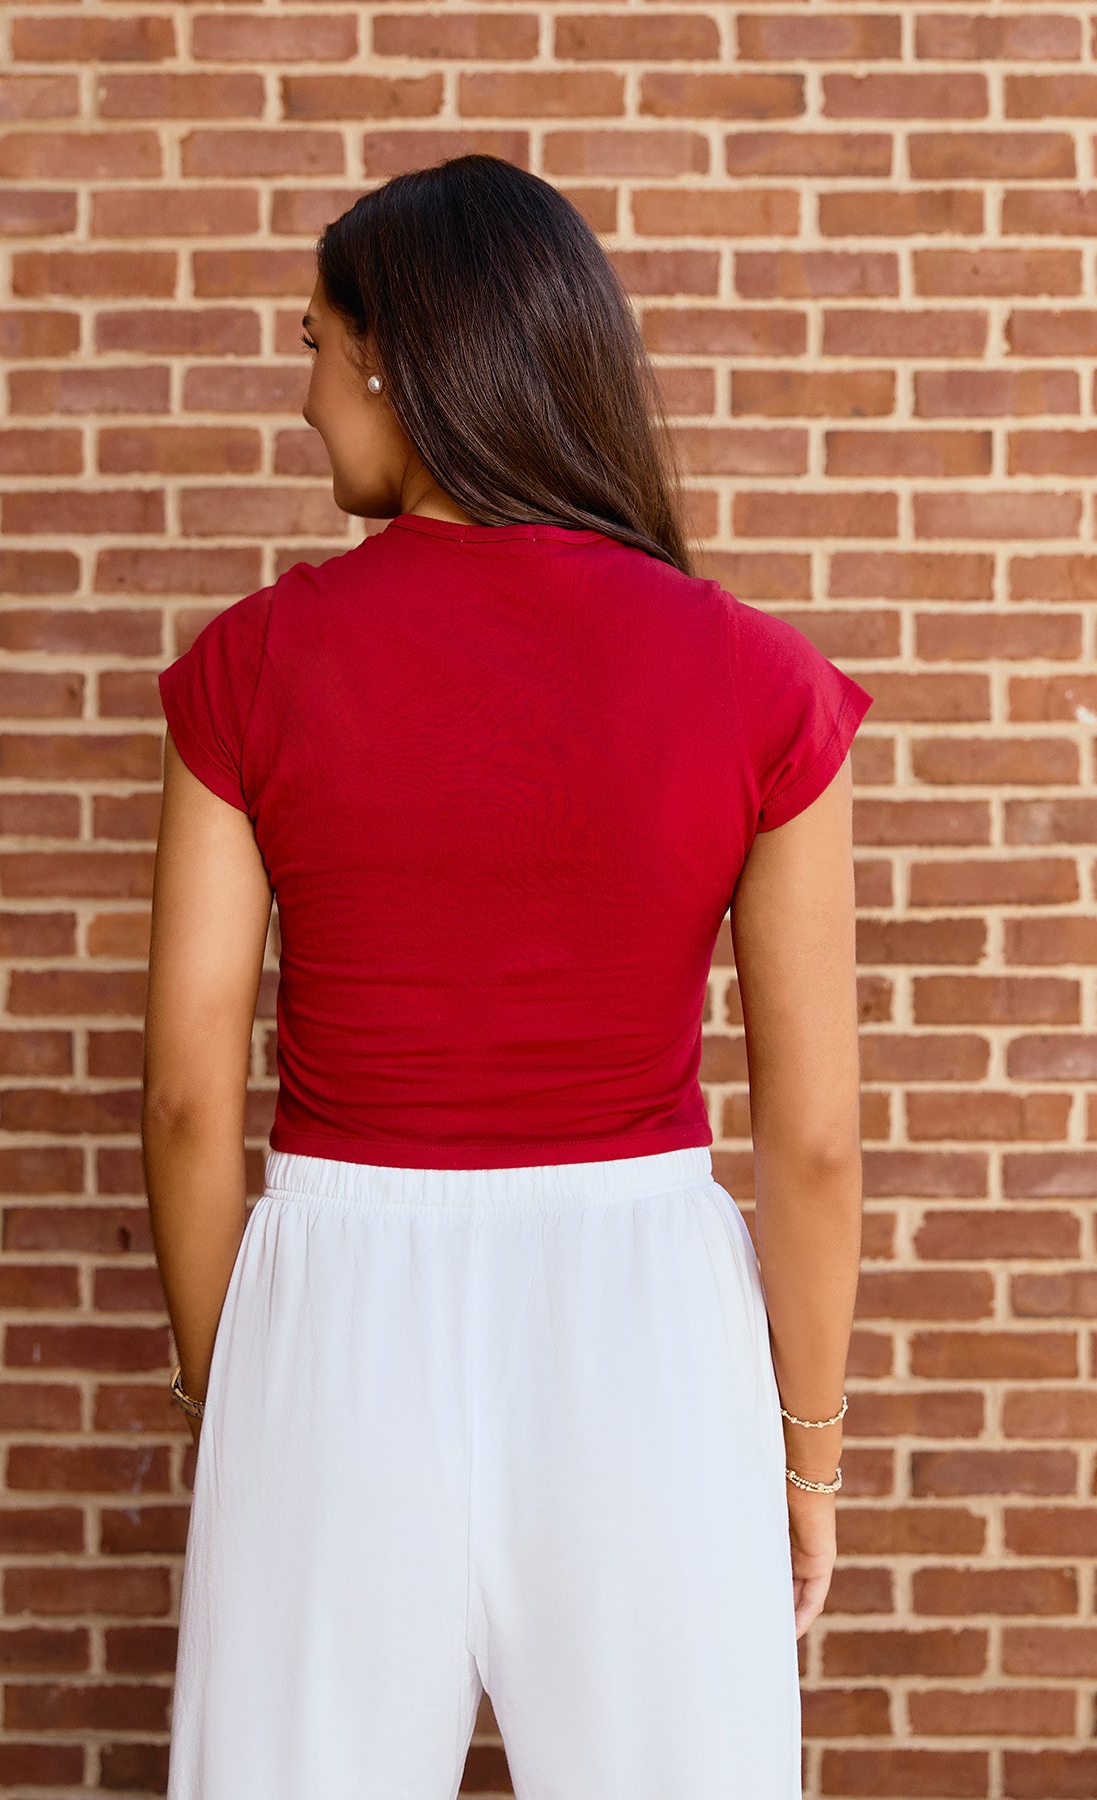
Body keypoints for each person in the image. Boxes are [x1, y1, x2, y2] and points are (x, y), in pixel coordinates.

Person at [142, 152, 873, 1800]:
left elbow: (187, 1098)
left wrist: (224, 1388)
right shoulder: (757, 679)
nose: (305, 395)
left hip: (336, 1304)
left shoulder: (253, 665)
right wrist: (808, 1458)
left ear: (396, 355)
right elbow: (815, 1142)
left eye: (315, 343)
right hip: (647, 1326)